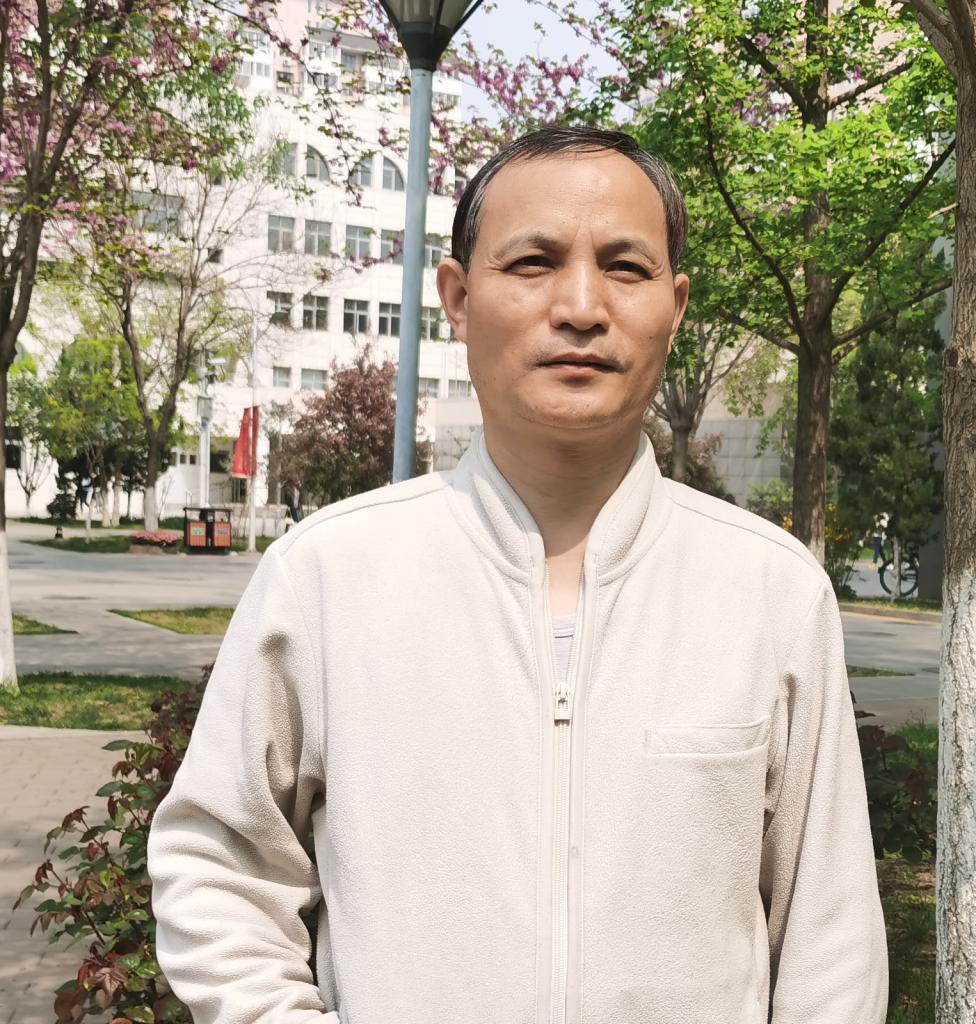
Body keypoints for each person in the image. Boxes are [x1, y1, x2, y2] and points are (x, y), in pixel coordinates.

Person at [148, 126, 887, 1024]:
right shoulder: (330, 577)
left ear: (675, 304)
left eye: (625, 267)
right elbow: (218, 862)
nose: (580, 306)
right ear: (458, 299)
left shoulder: (770, 591)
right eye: (533, 263)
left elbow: (829, 936)